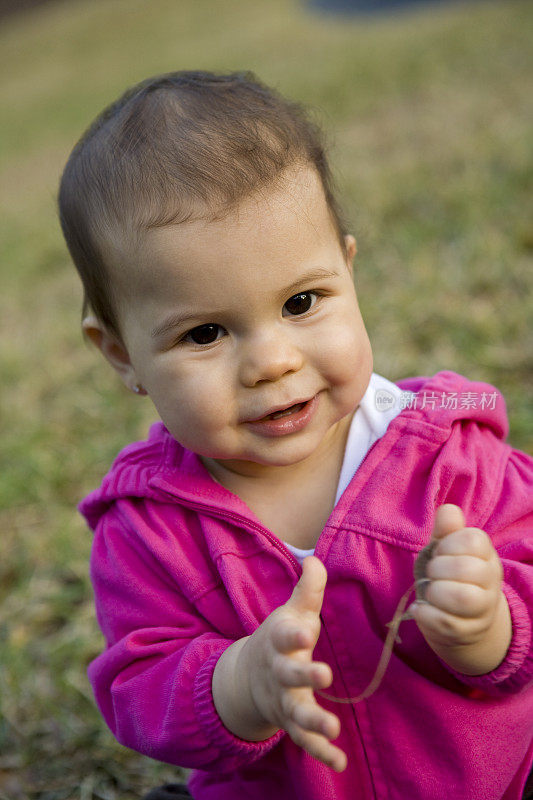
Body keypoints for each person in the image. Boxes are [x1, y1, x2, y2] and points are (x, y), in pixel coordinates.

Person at [58, 71, 533, 800]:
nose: (272, 361)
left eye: (301, 302)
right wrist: (238, 684)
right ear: (123, 354)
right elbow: (138, 688)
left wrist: (490, 627)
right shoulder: (147, 530)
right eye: (205, 332)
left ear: (348, 271)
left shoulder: (447, 452)